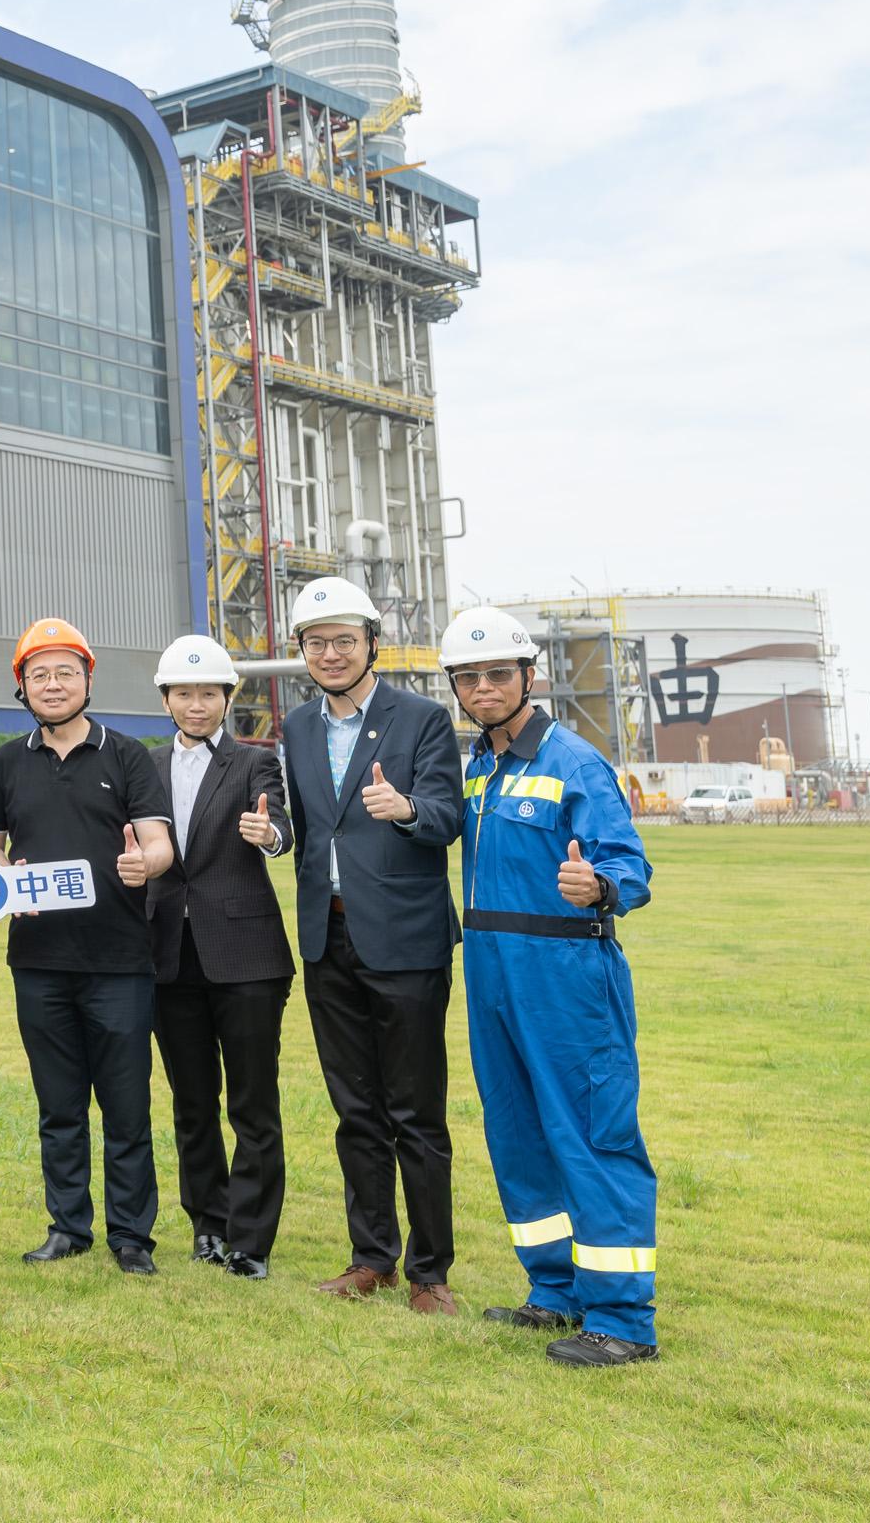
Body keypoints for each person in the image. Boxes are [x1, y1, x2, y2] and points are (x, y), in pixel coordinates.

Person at [439, 607, 660, 1366]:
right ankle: (556, 1291)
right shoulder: (476, 769)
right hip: (492, 974)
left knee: (591, 1134)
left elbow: (630, 868)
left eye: (498, 673)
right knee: (518, 1134)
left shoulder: (575, 761)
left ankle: (623, 1322)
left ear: (527, 676)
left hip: (567, 977)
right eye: (468, 677)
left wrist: (597, 884)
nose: (484, 687)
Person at [247, 576, 466, 1316]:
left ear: (371, 642)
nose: (331, 654)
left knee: (415, 1111)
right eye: (317, 643)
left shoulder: (423, 720)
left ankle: (429, 1273)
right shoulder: (300, 729)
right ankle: (371, 1255)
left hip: (404, 940)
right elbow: (304, 828)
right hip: (327, 936)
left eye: (344, 640)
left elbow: (447, 817)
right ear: (301, 653)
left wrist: (406, 808)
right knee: (355, 1110)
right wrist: (273, 837)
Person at [0, 617, 176, 1276]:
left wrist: (148, 863)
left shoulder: (127, 756)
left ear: (87, 679)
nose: (53, 684)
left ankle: (131, 1238)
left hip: (120, 961)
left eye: (65, 672)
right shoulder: (6, 763)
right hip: (36, 961)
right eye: (39, 675)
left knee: (126, 1106)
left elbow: (157, 841)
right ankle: (68, 1227)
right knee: (58, 1106)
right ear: (21, 688)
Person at [144, 635, 293, 1280]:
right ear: (167, 699)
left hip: (246, 955)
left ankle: (250, 1241)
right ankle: (208, 1224)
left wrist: (271, 836)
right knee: (193, 1101)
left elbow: (281, 825)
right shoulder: (143, 766)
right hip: (168, 957)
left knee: (253, 1102)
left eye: (208, 692)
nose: (196, 703)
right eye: (184, 692)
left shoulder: (255, 764)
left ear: (228, 698)